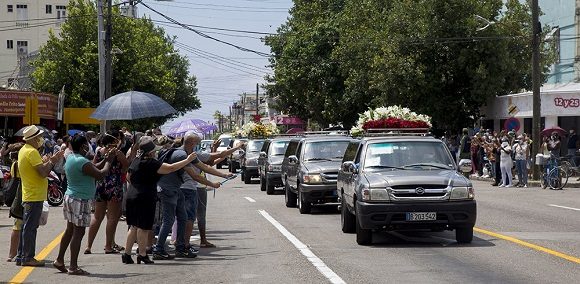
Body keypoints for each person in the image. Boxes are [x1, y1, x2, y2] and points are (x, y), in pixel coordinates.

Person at [153, 132, 233, 260]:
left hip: (176, 188)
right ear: (192, 143)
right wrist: (211, 183)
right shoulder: (181, 155)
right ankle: (159, 249)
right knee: (168, 220)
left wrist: (223, 175)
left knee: (184, 217)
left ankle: (181, 247)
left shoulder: (187, 154)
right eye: (197, 143)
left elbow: (203, 167)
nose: (198, 145)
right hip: (167, 189)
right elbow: (195, 175)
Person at [122, 136, 199, 265]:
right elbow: (171, 168)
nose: (156, 152)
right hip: (144, 196)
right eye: (154, 150)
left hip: (132, 195)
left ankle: (127, 254)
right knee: (143, 227)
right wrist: (187, 160)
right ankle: (142, 254)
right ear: (151, 152)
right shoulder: (152, 163)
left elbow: (128, 177)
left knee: (134, 226)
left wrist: (139, 183)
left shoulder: (136, 160)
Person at [53, 135, 114, 275]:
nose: (88, 147)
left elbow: (92, 168)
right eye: (86, 145)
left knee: (70, 230)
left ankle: (60, 260)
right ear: (82, 147)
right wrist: (109, 162)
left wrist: (105, 159)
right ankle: (73, 267)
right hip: (80, 200)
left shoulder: (72, 158)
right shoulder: (81, 161)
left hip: (71, 197)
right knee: (78, 232)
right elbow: (100, 174)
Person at [16, 125, 64, 266]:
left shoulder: (25, 150)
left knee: (27, 227)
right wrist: (52, 161)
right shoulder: (31, 152)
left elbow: (37, 169)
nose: (40, 139)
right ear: (33, 139)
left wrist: (46, 161)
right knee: (30, 228)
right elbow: (43, 172)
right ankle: (28, 257)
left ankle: (21, 256)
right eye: (38, 137)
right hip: (34, 195)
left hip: (30, 193)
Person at [85, 130, 129, 254]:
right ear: (114, 140)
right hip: (114, 187)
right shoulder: (118, 153)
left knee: (97, 217)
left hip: (100, 185)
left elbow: (94, 166)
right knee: (112, 218)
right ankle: (108, 246)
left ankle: (88, 246)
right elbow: (126, 166)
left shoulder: (99, 151)